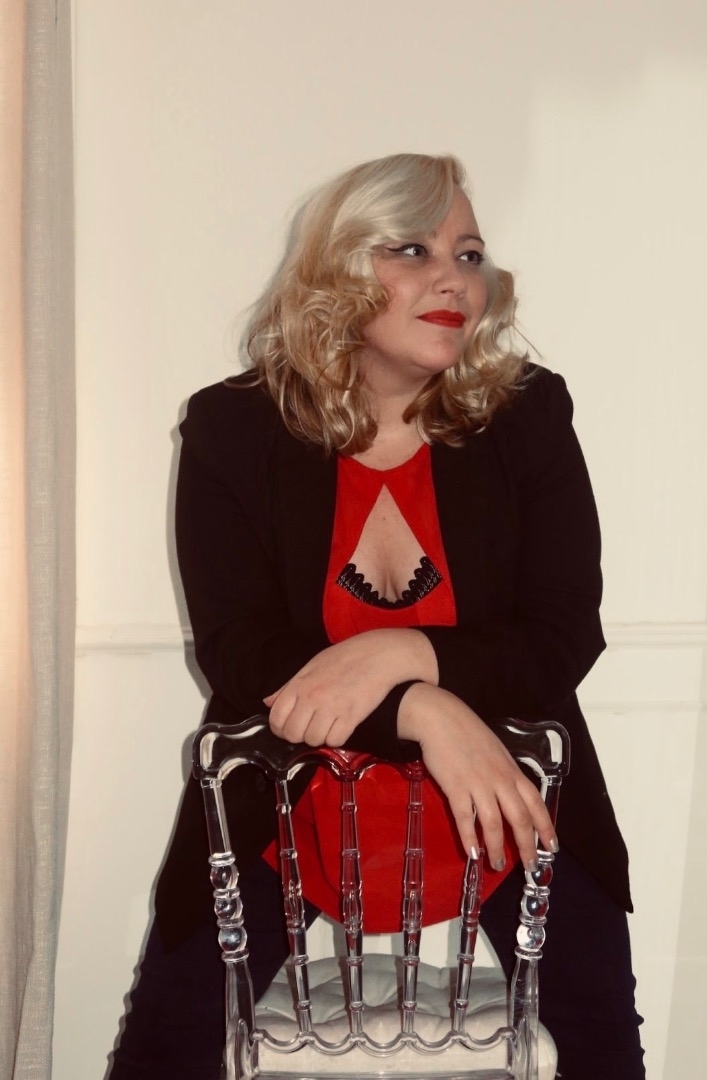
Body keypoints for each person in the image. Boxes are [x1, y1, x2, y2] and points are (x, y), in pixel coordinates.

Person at [108, 153, 645, 1080]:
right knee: (166, 1047)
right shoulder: (233, 428)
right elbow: (242, 654)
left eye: (468, 254)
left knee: (602, 1048)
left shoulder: (526, 415)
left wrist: (401, 649)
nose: (454, 279)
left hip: (502, 795)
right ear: (338, 271)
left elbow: (564, 632)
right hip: (290, 799)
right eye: (412, 250)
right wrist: (422, 708)